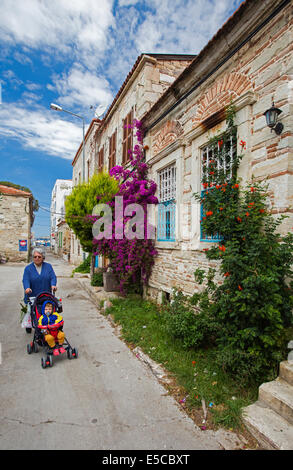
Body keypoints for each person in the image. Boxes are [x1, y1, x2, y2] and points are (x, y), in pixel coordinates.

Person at [22, 247, 57, 333]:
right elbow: (25, 279)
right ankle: (29, 325)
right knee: (31, 311)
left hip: (45, 294)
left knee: (46, 310)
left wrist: (53, 285)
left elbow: (53, 277)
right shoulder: (28, 268)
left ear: (43, 258)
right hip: (32, 294)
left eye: (39, 257)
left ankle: (46, 325)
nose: (37, 258)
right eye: (35, 257)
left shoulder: (48, 266)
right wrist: (27, 287)